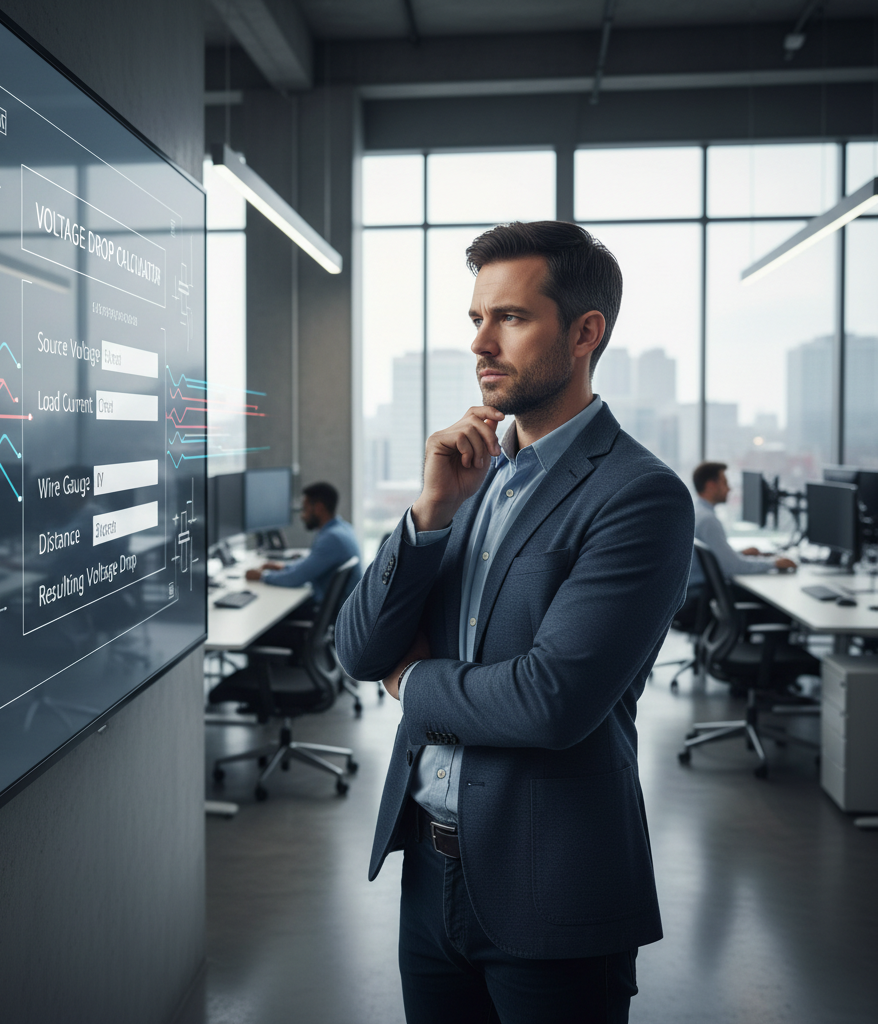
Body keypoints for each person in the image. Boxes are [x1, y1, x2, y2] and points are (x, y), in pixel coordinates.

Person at [336, 221, 694, 1024]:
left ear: (584, 333)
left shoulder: (640, 495)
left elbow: (551, 700)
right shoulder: (469, 478)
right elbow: (359, 651)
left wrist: (416, 680)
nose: (481, 344)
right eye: (475, 320)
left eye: (511, 318)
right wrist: (429, 512)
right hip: (428, 872)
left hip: (554, 885)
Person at [246, 481, 361, 609]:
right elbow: (309, 564)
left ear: (318, 508)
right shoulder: (343, 528)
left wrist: (262, 576)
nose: (302, 516)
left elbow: (295, 579)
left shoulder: (331, 539)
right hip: (341, 608)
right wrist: (283, 567)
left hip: (332, 611)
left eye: (304, 509)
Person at [687, 461, 796, 594]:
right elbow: (733, 566)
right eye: (725, 483)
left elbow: (719, 558)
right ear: (711, 485)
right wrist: (774, 563)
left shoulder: (697, 512)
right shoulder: (708, 521)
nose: (729, 489)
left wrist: (738, 554)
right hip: (703, 592)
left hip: (699, 590)